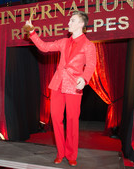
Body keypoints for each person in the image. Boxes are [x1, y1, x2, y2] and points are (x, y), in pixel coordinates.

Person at [24, 11, 96, 166]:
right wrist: (31, 32)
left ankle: (71, 154)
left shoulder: (89, 46)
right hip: (58, 84)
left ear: (81, 24)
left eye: (72, 20)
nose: (68, 23)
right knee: (56, 119)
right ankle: (60, 152)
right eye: (69, 20)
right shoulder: (63, 42)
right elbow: (44, 47)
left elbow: (90, 65)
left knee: (72, 121)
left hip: (74, 87)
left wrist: (84, 79)